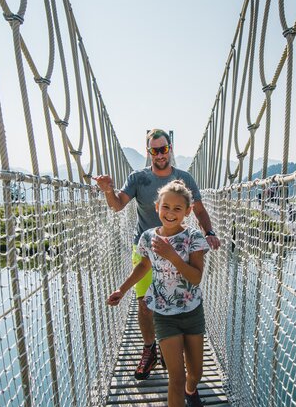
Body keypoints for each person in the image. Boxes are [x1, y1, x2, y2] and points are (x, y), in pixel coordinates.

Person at [94, 129, 219, 380]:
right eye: (154, 150)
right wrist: (108, 190)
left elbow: (199, 209)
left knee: (179, 297)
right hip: (146, 248)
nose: (160, 154)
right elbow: (118, 205)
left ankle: (168, 346)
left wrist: (209, 232)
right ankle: (150, 348)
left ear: (170, 148)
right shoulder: (138, 178)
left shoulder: (184, 178)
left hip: (179, 249)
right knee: (145, 305)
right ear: (148, 151)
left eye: (163, 149)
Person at [107, 180, 210, 407]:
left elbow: (195, 278)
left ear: (188, 211)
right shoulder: (148, 237)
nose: (170, 212)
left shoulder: (193, 238)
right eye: (165, 207)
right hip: (162, 313)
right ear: (157, 207)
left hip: (191, 311)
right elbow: (143, 267)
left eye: (178, 208)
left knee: (195, 373)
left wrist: (171, 255)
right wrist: (123, 290)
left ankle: (193, 391)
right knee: (175, 377)